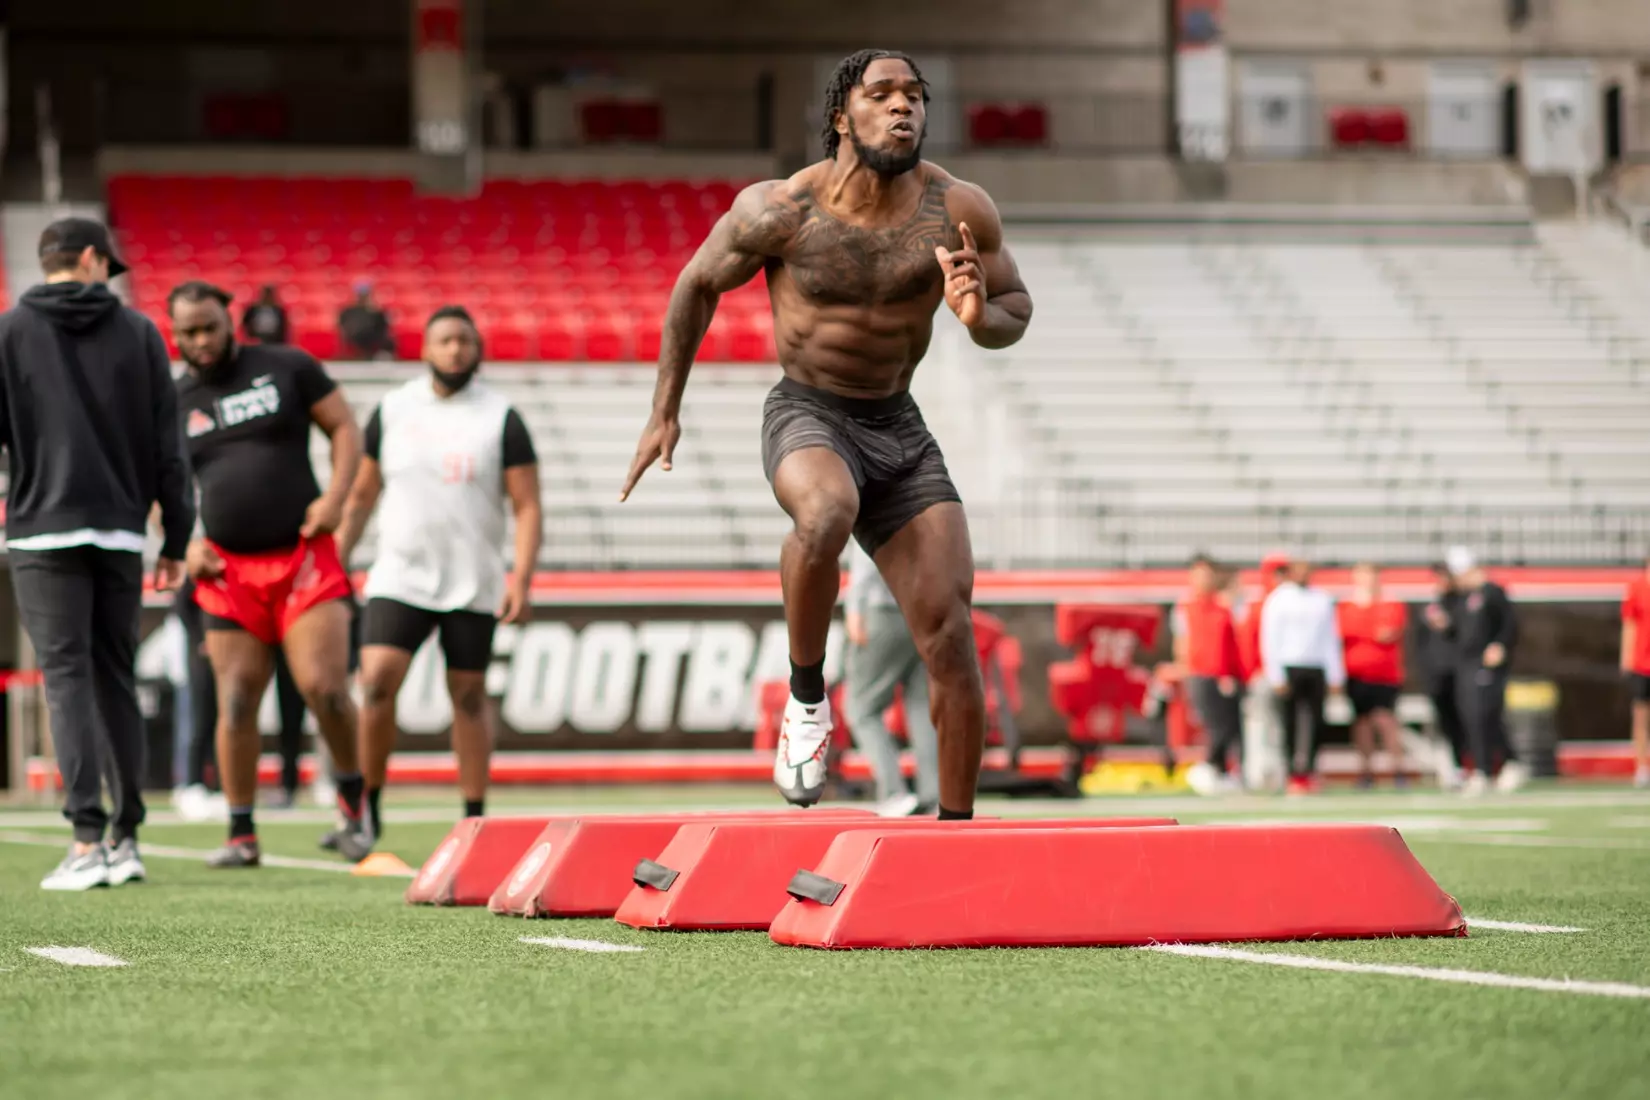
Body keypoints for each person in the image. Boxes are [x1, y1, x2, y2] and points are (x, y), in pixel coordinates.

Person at [619, 50, 1032, 817]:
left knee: (950, 636)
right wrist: (664, 410)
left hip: (898, 424)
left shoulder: (959, 208)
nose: (904, 106)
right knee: (826, 512)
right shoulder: (781, 209)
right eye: (883, 94)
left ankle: (957, 834)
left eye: (915, 95)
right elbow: (696, 284)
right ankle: (807, 702)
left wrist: (979, 318)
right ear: (843, 115)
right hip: (809, 411)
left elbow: (1014, 309)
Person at [0, 217, 194, 890]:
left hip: (40, 528)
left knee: (66, 678)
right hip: (118, 529)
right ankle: (126, 839)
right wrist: (177, 536)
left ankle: (85, 842)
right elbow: (169, 448)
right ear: (89, 258)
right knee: (115, 675)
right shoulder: (139, 332)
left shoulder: (8, 332)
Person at [168, 280, 371, 866]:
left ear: (230, 321)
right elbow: (158, 485)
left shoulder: (287, 366)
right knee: (235, 701)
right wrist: (183, 544)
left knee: (325, 689)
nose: (201, 340)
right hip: (227, 570)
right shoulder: (173, 401)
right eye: (188, 332)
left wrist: (336, 499)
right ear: (175, 335)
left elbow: (345, 428)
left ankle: (353, 804)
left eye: (210, 327)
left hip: (304, 557)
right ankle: (240, 833)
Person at [336, 306, 541, 839]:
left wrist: (520, 579)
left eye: (465, 341)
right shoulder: (393, 409)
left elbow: (527, 506)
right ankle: (365, 811)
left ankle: (473, 818)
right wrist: (337, 557)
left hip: (473, 580)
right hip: (399, 576)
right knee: (376, 681)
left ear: (478, 350)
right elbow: (362, 495)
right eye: (446, 340)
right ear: (426, 349)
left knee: (468, 696)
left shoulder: (501, 417)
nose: (455, 349)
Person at [841, 540, 940, 816]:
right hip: (923, 614)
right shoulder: (925, 516)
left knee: (860, 709)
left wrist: (854, 611)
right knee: (920, 706)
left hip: (883, 612)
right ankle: (935, 795)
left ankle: (893, 792)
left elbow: (865, 567)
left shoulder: (875, 514)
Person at [1446, 546, 1527, 795]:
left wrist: (1499, 645)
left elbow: (1510, 624)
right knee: (1471, 716)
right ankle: (1485, 768)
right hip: (1466, 665)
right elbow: (1459, 633)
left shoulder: (1492, 593)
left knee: (1485, 714)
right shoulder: (1462, 598)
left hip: (1486, 665)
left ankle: (1497, 766)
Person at [1260, 558, 1344, 794]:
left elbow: (1330, 638)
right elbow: (1270, 638)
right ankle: (1291, 772)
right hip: (1289, 665)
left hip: (1316, 666)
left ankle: (1310, 770)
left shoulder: (1321, 599)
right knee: (1290, 722)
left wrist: (1335, 674)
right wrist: (1275, 674)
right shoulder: (1278, 599)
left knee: (1317, 721)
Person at [1174, 553, 1244, 793]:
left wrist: (1229, 673)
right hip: (1199, 673)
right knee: (1215, 726)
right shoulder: (1185, 606)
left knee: (1230, 725)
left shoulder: (1223, 606)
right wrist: (1185, 671)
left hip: (1223, 675)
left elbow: (1230, 644)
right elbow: (1182, 642)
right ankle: (1208, 766)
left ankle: (1221, 771)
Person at [1337, 562, 1409, 788]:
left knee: (1385, 719)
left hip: (1385, 674)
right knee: (1362, 722)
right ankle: (1366, 771)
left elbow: (1386, 633)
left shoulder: (1391, 604)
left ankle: (1398, 770)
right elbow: (1343, 632)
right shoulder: (1346, 605)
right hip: (1356, 674)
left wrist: (1361, 632)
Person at [1413, 562, 1466, 790]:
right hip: (1436, 675)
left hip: (1459, 673)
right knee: (1444, 722)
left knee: (1464, 720)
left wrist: (1449, 625)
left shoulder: (1463, 603)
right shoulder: (1430, 606)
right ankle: (1453, 767)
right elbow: (1420, 643)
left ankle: (1469, 766)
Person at [1621, 555, 1650, 789]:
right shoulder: (1637, 588)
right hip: (1642, 664)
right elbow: (1629, 624)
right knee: (1640, 717)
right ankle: (1642, 766)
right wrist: (1626, 658)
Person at [339, 281, 394, 360]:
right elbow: (343, 326)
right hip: (356, 336)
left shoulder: (376, 311)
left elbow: (383, 326)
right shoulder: (349, 311)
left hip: (373, 337)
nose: (363, 298)